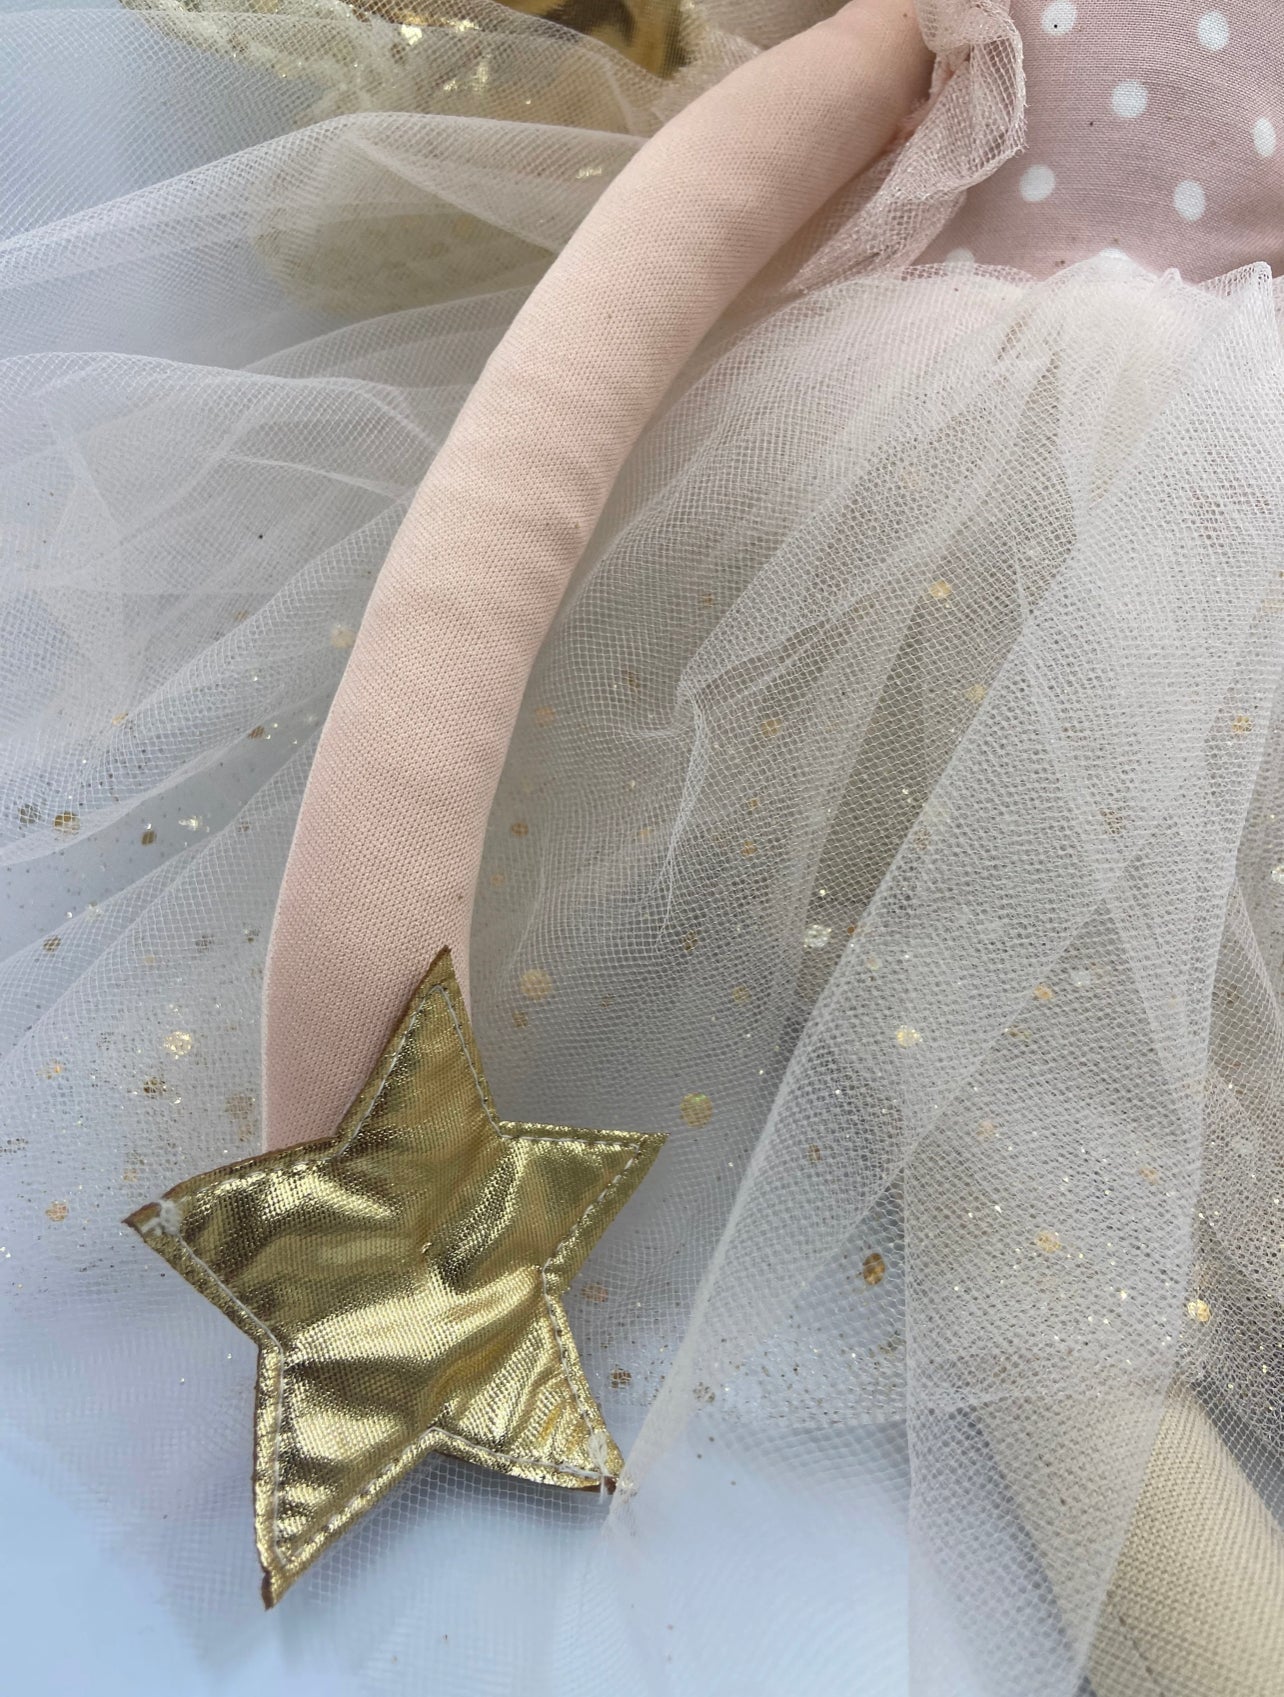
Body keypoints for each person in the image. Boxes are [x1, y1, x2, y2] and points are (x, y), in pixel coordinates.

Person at [3, 2, 1282, 1691]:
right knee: (1018, 1169)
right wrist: (358, 1101)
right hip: (928, 589)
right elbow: (555, 414)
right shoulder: (946, 28)